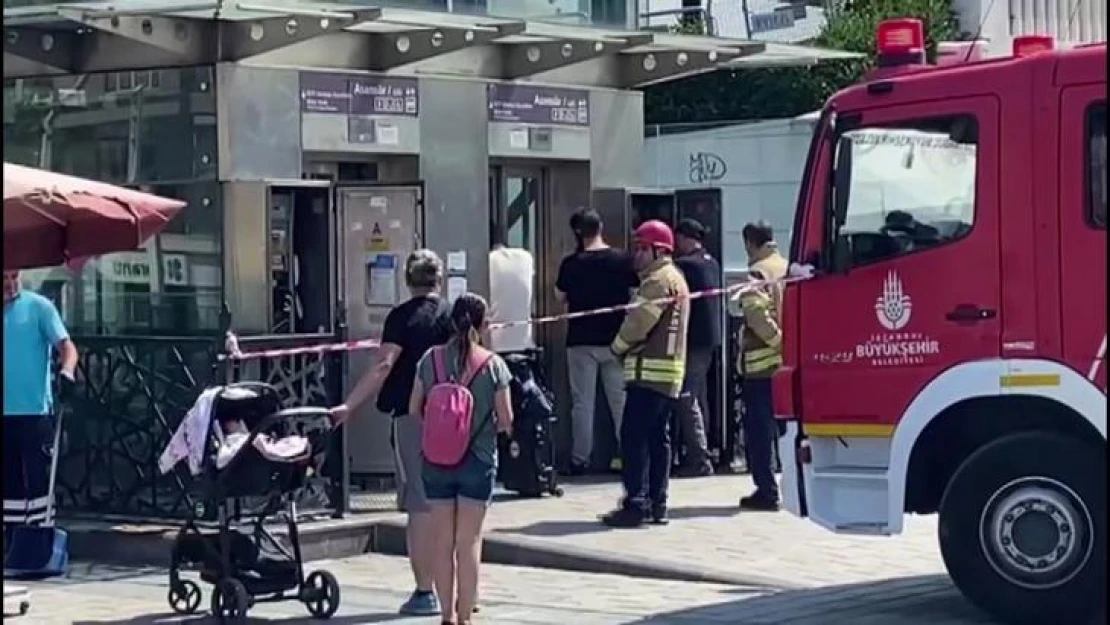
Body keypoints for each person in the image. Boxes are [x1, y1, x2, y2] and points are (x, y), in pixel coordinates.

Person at [330, 250, 453, 616]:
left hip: (413, 415)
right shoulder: (453, 314)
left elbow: (384, 365)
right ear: (439, 279)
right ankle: (459, 588)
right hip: (458, 418)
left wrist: (349, 406)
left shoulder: (402, 318)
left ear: (408, 281)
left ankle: (424, 590)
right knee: (454, 500)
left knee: (420, 500)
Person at [409, 293, 513, 625]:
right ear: (482, 325)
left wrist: (441, 432)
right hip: (478, 461)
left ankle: (445, 616)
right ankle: (465, 617)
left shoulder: (430, 360)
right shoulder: (493, 364)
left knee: (442, 541)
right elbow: (506, 417)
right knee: (468, 542)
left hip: (436, 462)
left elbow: (414, 409)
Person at [601, 220, 690, 528]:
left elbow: (638, 323)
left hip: (648, 374)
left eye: (642, 249)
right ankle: (657, 503)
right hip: (666, 376)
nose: (636, 255)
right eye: (635, 248)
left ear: (659, 250)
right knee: (657, 440)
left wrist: (615, 347)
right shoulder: (673, 278)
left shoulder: (657, 281)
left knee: (633, 439)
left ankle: (636, 504)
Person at [555, 208, 639, 475]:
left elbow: (559, 296)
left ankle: (580, 459)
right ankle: (629, 454)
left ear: (577, 233)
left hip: (580, 341)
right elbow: (635, 294)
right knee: (620, 401)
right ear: (600, 227)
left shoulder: (571, 263)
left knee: (582, 404)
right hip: (616, 341)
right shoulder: (622, 260)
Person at [3, 270, 78, 535]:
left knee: (38, 480)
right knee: (8, 483)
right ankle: (11, 540)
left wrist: (67, 371)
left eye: (14, 276)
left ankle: (41, 536)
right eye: (4, 277)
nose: (10, 283)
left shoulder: (39, 307)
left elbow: (67, 347)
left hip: (33, 411)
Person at [728, 221, 788, 511]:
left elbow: (755, 316)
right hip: (787, 367)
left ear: (750, 243)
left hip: (761, 369)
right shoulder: (787, 268)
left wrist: (778, 342)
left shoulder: (758, 273)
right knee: (785, 429)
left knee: (760, 432)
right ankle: (790, 487)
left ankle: (767, 490)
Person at [672, 219, 722, 478]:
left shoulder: (685, 266)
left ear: (685, 238)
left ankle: (698, 458)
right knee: (698, 397)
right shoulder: (711, 262)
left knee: (685, 397)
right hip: (710, 340)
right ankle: (706, 449)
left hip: (692, 341)